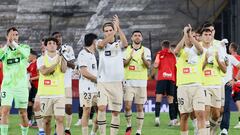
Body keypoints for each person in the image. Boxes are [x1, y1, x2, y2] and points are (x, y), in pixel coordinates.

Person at [96, 15, 128, 135]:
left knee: (115, 112)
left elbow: (125, 44)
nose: (109, 32)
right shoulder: (100, 43)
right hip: (103, 82)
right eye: (106, 31)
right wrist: (114, 31)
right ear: (103, 33)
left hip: (117, 83)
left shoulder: (118, 44)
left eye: (110, 30)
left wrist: (118, 29)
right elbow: (100, 46)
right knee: (101, 108)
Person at [174, 24, 206, 135]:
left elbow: (201, 50)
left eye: (193, 36)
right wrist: (185, 34)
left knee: (201, 114)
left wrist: (191, 36)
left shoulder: (198, 50)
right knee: (184, 115)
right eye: (189, 36)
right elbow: (176, 51)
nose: (190, 38)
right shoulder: (181, 52)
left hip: (197, 86)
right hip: (183, 86)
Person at [0, 27, 30, 135]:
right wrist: (7, 45)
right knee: (4, 111)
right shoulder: (3, 50)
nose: (14, 37)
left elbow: (26, 55)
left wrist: (14, 44)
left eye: (16, 35)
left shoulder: (24, 47)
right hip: (7, 86)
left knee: (23, 113)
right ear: (7, 36)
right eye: (12, 35)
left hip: (21, 86)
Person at [37, 37, 67, 135]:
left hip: (59, 94)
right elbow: (44, 72)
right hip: (45, 94)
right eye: (49, 43)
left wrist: (62, 59)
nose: (52, 45)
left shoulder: (61, 57)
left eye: (54, 43)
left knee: (59, 119)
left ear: (57, 46)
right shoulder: (41, 59)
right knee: (46, 120)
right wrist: (56, 62)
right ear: (45, 46)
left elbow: (63, 69)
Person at [123, 30, 151, 135]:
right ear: (132, 38)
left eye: (139, 35)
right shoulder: (126, 50)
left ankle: (139, 130)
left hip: (141, 83)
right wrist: (130, 56)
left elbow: (148, 66)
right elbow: (123, 64)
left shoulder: (146, 50)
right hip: (128, 81)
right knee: (127, 106)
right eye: (135, 35)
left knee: (140, 107)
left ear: (142, 38)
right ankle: (129, 125)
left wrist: (143, 57)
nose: (137, 37)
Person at [52, 32, 76, 135]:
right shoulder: (50, 50)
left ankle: (67, 128)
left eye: (59, 36)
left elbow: (73, 65)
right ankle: (57, 128)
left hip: (66, 83)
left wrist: (62, 57)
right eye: (56, 37)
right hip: (55, 83)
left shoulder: (68, 48)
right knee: (56, 109)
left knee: (69, 107)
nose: (58, 38)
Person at [77, 33, 98, 135]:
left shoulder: (92, 54)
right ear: (93, 41)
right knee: (87, 111)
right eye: (96, 41)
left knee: (100, 110)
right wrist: (97, 79)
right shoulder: (82, 54)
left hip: (96, 88)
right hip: (86, 88)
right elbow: (84, 72)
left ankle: (93, 133)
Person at [152, 40, 177, 127]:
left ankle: (157, 118)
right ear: (169, 47)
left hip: (162, 78)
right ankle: (172, 120)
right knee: (171, 100)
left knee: (158, 98)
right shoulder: (174, 55)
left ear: (162, 46)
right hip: (171, 79)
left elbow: (155, 65)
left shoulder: (160, 53)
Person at [219, 43, 240, 134]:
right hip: (214, 85)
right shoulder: (214, 57)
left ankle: (224, 129)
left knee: (226, 106)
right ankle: (213, 124)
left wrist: (235, 79)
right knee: (215, 108)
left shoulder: (229, 57)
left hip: (227, 85)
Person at [27, 49, 39, 127]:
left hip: (37, 87)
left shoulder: (38, 63)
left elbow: (40, 76)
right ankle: (29, 121)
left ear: (33, 56)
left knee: (35, 105)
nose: (28, 56)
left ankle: (36, 122)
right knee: (30, 104)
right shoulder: (31, 64)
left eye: (29, 55)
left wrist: (31, 79)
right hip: (33, 87)